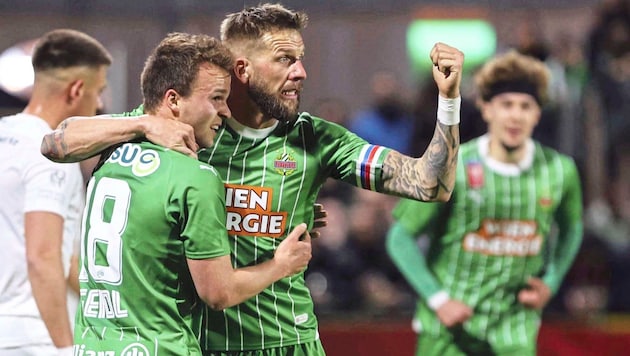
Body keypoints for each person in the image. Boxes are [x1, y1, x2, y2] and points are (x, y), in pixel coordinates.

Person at [41, 3, 464, 355]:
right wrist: (141, 127)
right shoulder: (189, 122)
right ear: (242, 69)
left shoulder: (315, 139)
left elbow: (431, 184)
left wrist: (448, 102)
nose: (300, 72)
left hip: (285, 340)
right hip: (201, 341)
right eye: (285, 59)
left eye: (300, 59)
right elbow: (56, 143)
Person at [71, 32, 313, 355]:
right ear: (173, 100)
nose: (225, 111)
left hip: (92, 347)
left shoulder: (113, 147)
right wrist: (281, 265)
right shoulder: (194, 176)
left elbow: (54, 141)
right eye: (216, 98)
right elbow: (218, 293)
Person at [386, 50, 584, 356]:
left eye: (525, 106)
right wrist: (438, 299)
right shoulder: (454, 165)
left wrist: (552, 281)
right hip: (449, 334)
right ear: (486, 108)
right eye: (506, 105)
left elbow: (573, 228)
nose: (515, 115)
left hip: (514, 332)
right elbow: (400, 238)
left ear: (537, 114)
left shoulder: (560, 171)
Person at [0, 29, 112, 356]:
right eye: (99, 91)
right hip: (34, 335)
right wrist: (65, 348)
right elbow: (44, 256)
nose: (100, 103)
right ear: (77, 90)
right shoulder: (52, 154)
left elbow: (65, 260)